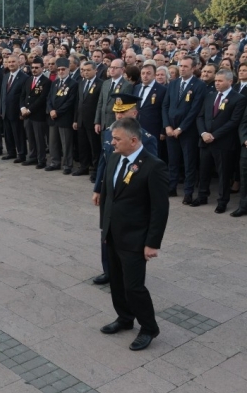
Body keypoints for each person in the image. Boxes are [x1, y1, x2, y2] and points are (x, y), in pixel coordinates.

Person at [97, 116, 169, 351]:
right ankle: (125, 318)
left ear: (134, 140)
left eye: (117, 139)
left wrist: (152, 243)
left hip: (136, 239)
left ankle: (149, 328)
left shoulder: (153, 166)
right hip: (113, 234)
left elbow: (160, 209)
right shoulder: (115, 158)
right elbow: (108, 196)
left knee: (134, 287)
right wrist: (104, 229)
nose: (112, 143)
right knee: (116, 282)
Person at [92, 93, 158, 285]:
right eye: (116, 112)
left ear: (135, 113)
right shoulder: (108, 133)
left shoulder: (147, 139)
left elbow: (150, 171)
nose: (119, 116)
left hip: (130, 195)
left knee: (127, 234)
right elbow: (103, 164)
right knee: (106, 230)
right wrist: (98, 189)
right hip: (110, 191)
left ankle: (128, 271)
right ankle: (109, 270)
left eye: (124, 112)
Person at [193, 69, 247, 213]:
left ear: (230, 81)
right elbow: (200, 116)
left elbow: (234, 121)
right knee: (203, 171)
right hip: (205, 140)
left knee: (223, 174)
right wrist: (204, 133)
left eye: (220, 81)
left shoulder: (238, 98)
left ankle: (223, 201)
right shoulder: (210, 96)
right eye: (216, 80)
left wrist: (214, 135)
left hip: (223, 143)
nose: (216, 83)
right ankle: (202, 195)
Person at [162, 56, 207, 204]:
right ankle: (172, 187)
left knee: (189, 163)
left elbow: (195, 110)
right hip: (171, 130)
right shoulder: (173, 84)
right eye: (181, 66)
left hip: (188, 131)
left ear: (193, 68)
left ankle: (188, 192)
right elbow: (165, 106)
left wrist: (181, 128)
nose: (182, 68)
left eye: (186, 66)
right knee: (173, 161)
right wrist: (167, 126)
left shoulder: (199, 85)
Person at [46, 57, 79, 173]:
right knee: (53, 142)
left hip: (64, 117)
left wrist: (57, 112)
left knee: (66, 143)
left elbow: (70, 102)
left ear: (68, 69)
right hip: (53, 117)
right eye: (59, 69)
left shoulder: (73, 84)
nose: (60, 71)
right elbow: (49, 98)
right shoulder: (54, 83)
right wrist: (51, 110)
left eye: (63, 69)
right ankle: (55, 162)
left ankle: (67, 165)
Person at [21, 56, 52, 168]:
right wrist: (22, 108)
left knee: (39, 139)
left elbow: (42, 99)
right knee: (30, 137)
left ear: (42, 68)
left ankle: (41, 159)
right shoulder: (28, 79)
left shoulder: (46, 82)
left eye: (36, 68)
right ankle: (32, 157)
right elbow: (23, 95)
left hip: (38, 115)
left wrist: (29, 110)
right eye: (32, 67)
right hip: (27, 115)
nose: (34, 69)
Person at [73, 61, 102, 180]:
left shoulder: (100, 84)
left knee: (94, 147)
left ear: (96, 70)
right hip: (81, 120)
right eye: (84, 70)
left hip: (92, 121)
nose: (85, 72)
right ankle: (83, 166)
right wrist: (75, 120)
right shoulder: (81, 83)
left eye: (88, 70)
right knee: (82, 145)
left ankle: (95, 170)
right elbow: (78, 102)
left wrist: (98, 121)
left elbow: (100, 104)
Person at [0, 54, 28, 162]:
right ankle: (11, 152)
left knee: (18, 134)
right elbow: (2, 94)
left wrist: (22, 112)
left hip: (17, 112)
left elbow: (24, 96)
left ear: (19, 63)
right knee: (8, 134)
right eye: (9, 62)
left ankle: (21, 154)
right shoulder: (6, 76)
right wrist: (1, 109)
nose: (11, 64)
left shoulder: (24, 78)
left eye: (13, 62)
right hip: (6, 110)